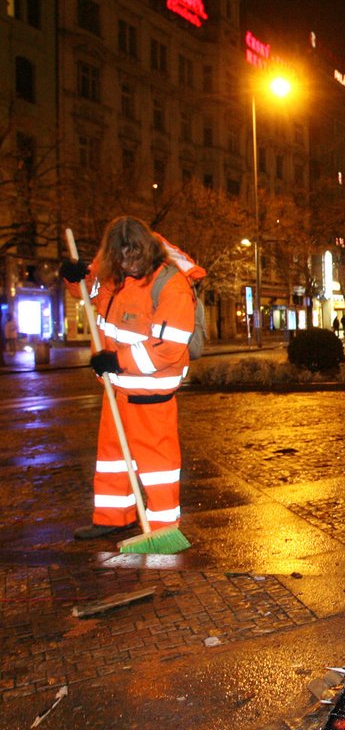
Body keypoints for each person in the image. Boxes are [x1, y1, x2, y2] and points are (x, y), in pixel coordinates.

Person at [59, 216, 205, 540]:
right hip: (117, 388)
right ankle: (113, 516)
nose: (129, 263)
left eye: (134, 255)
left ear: (147, 249)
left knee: (158, 467)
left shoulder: (170, 285)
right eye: (122, 257)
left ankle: (163, 529)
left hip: (150, 395)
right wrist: (73, 279)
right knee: (112, 459)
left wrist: (117, 360)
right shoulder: (113, 272)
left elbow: (167, 348)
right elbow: (89, 291)